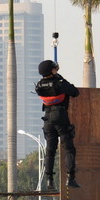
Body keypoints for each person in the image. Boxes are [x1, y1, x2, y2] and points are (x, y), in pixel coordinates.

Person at [35, 59, 80, 189]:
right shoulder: (59, 83)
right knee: (69, 149)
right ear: (51, 70)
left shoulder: (39, 86)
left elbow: (48, 86)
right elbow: (75, 92)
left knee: (50, 150)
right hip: (60, 116)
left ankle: (49, 180)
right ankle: (70, 178)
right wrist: (60, 78)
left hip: (47, 118)